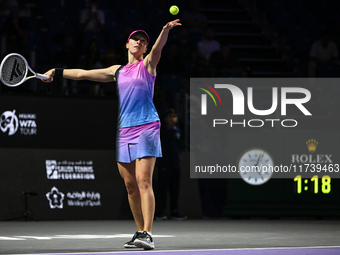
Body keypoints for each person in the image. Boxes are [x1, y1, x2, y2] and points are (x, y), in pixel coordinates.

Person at [42, 19, 182, 250]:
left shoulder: (148, 64)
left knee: (144, 180)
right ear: (127, 44)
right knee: (130, 186)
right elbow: (83, 74)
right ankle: (139, 232)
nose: (139, 42)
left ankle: (148, 234)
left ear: (145, 48)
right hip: (124, 130)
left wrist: (164, 32)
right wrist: (56, 72)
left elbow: (158, 49)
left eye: (143, 41)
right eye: (136, 39)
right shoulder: (117, 71)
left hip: (147, 125)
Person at [155, 109, 187, 220]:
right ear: (166, 118)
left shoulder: (178, 131)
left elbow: (179, 146)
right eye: (170, 116)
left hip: (175, 165)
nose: (173, 119)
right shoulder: (161, 131)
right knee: (162, 189)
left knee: (175, 189)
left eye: (174, 116)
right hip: (164, 164)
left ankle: (174, 211)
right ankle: (160, 212)